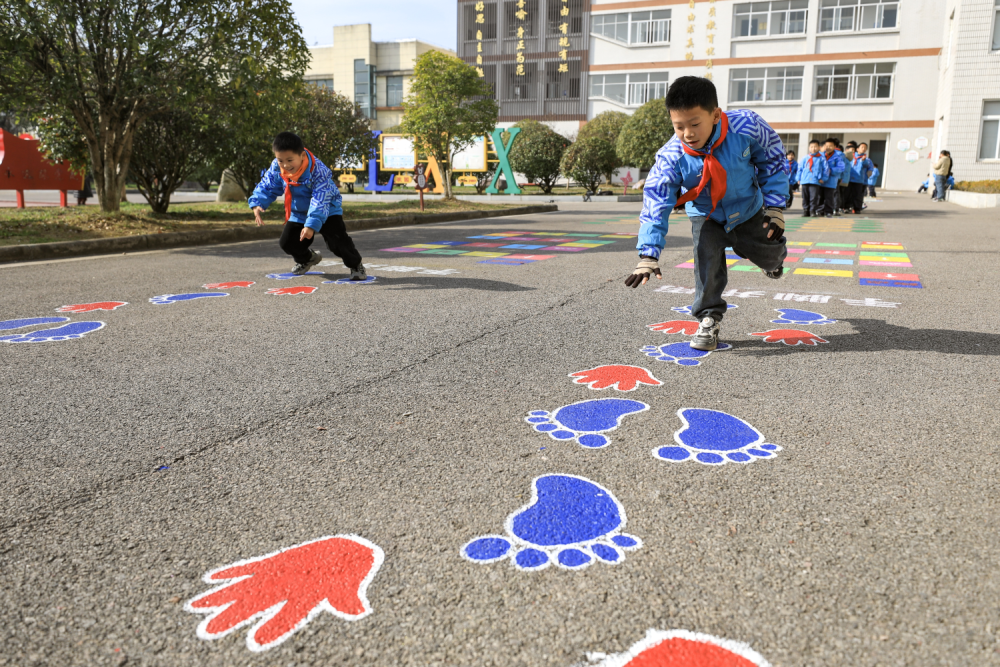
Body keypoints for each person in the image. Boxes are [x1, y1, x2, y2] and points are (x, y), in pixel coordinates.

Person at [625, 76, 789, 351]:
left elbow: (772, 160)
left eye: (694, 124)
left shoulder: (747, 127)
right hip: (706, 214)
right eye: (679, 126)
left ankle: (770, 262)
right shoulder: (671, 155)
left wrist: (775, 207)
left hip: (748, 209)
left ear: (715, 115)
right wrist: (648, 254)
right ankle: (709, 318)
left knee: (770, 255)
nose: (687, 133)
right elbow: (656, 200)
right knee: (707, 264)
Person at [249, 132, 366, 278]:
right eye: (280, 160)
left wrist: (311, 225)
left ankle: (356, 265)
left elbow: (320, 199)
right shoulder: (277, 167)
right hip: (299, 212)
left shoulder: (318, 171)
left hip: (327, 210)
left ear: (302, 156)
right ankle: (308, 258)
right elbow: (268, 186)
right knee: (287, 243)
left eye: (290, 160)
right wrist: (258, 203)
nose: (285, 165)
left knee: (337, 243)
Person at [798, 140, 830, 217]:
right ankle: (806, 211)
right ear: (809, 148)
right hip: (805, 180)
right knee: (805, 197)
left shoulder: (821, 158)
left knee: (814, 197)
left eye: (815, 146)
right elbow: (800, 169)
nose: (813, 148)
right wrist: (798, 178)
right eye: (812, 147)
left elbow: (826, 169)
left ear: (819, 147)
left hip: (815, 180)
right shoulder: (805, 158)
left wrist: (823, 178)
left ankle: (812, 211)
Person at [820, 138, 845, 218]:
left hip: (831, 181)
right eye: (826, 146)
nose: (828, 147)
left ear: (834, 147)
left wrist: (831, 170)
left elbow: (841, 168)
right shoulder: (820, 155)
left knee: (829, 197)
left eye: (830, 146)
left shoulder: (838, 157)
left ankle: (828, 211)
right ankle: (820, 210)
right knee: (820, 196)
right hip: (821, 180)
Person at [847, 142, 874, 213]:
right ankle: (847, 207)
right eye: (862, 147)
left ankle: (857, 208)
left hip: (859, 180)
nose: (864, 149)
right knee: (848, 194)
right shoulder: (851, 157)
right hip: (849, 179)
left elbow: (869, 168)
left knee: (858, 195)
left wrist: (863, 160)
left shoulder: (867, 159)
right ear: (857, 149)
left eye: (865, 148)